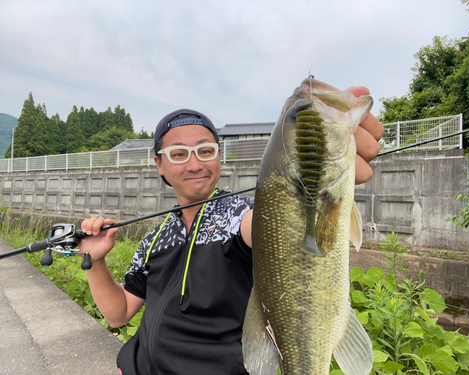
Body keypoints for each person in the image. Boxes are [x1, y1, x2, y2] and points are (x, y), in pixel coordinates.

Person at [79, 87, 384, 375]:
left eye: (205, 150)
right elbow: (118, 314)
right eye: (179, 154)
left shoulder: (243, 216)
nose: (195, 163)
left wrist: (318, 160)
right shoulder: (155, 239)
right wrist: (95, 260)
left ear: (219, 154)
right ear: (159, 164)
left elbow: (275, 224)